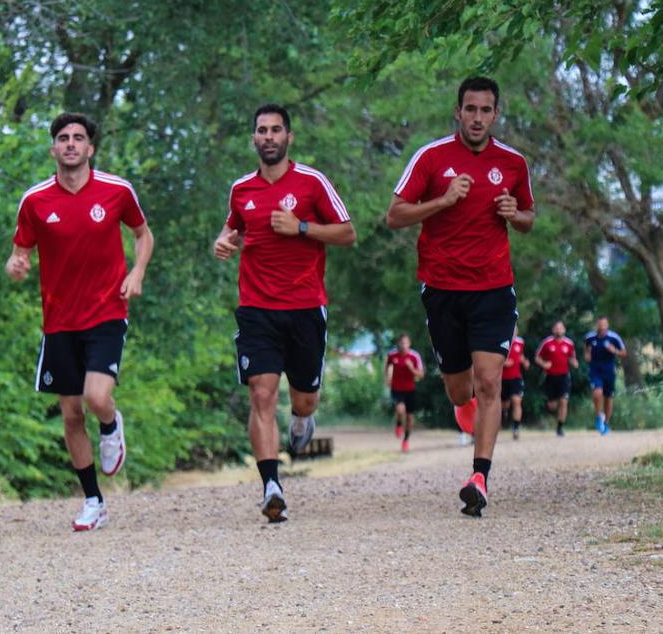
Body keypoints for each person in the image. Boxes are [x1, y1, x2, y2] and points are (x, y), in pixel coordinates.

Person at [386, 76, 535, 517]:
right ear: (458, 112)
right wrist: (443, 201)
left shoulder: (512, 162)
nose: (477, 118)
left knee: (490, 381)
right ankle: (464, 410)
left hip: (493, 286)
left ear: (495, 115)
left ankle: (479, 477)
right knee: (458, 390)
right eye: (470, 109)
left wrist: (517, 215)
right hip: (443, 288)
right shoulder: (431, 158)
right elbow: (394, 215)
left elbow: (529, 217)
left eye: (485, 110)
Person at [6, 112, 154, 531]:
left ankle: (111, 423)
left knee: (95, 397)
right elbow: (21, 251)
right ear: (54, 149)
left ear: (90, 148)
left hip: (107, 311)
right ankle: (93, 500)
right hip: (58, 321)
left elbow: (144, 234)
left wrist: (137, 272)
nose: (70, 144)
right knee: (70, 414)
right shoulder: (35, 200)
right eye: (63, 138)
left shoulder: (116, 191)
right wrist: (16, 265)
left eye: (78, 138)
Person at [212, 103, 355, 523]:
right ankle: (271, 485)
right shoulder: (242, 189)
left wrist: (303, 228)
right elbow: (233, 228)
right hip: (256, 308)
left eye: (276, 130)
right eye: (262, 130)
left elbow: (348, 233)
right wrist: (224, 242)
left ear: (289, 138)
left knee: (305, 399)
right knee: (260, 392)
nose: (269, 137)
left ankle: (301, 418)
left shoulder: (312, 183)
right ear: (254, 138)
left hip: (306, 307)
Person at [535, 320, 578, 436]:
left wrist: (574, 362)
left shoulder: (569, 343)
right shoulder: (547, 343)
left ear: (564, 330)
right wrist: (544, 364)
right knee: (552, 406)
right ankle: (553, 409)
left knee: (564, 401)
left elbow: (572, 357)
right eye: (557, 328)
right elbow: (537, 357)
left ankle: (560, 428)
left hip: (564, 376)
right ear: (553, 329)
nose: (559, 330)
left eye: (561, 328)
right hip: (550, 377)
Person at [584, 316, 626, 435]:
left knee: (608, 398)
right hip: (595, 371)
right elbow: (586, 352)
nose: (602, 326)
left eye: (604, 324)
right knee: (597, 393)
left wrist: (614, 351)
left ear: (607, 325)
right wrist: (587, 356)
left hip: (609, 372)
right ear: (597, 325)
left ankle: (606, 423)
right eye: (600, 324)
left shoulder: (614, 337)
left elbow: (624, 352)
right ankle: (598, 417)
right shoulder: (590, 337)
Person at [385, 333, 424, 452]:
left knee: (410, 417)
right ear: (398, 344)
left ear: (409, 344)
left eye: (405, 343)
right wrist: (388, 378)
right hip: (397, 389)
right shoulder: (392, 355)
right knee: (400, 410)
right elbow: (387, 367)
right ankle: (398, 425)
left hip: (410, 390)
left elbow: (421, 375)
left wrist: (411, 368)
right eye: (401, 343)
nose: (403, 346)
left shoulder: (414, 356)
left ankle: (406, 440)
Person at [501, 327, 530, 440]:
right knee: (505, 404)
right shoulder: (501, 341)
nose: (513, 331)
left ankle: (516, 428)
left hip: (516, 378)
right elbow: (494, 358)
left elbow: (520, 355)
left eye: (515, 329)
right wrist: (503, 362)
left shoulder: (520, 342)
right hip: (502, 378)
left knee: (516, 400)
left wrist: (525, 361)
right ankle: (504, 413)